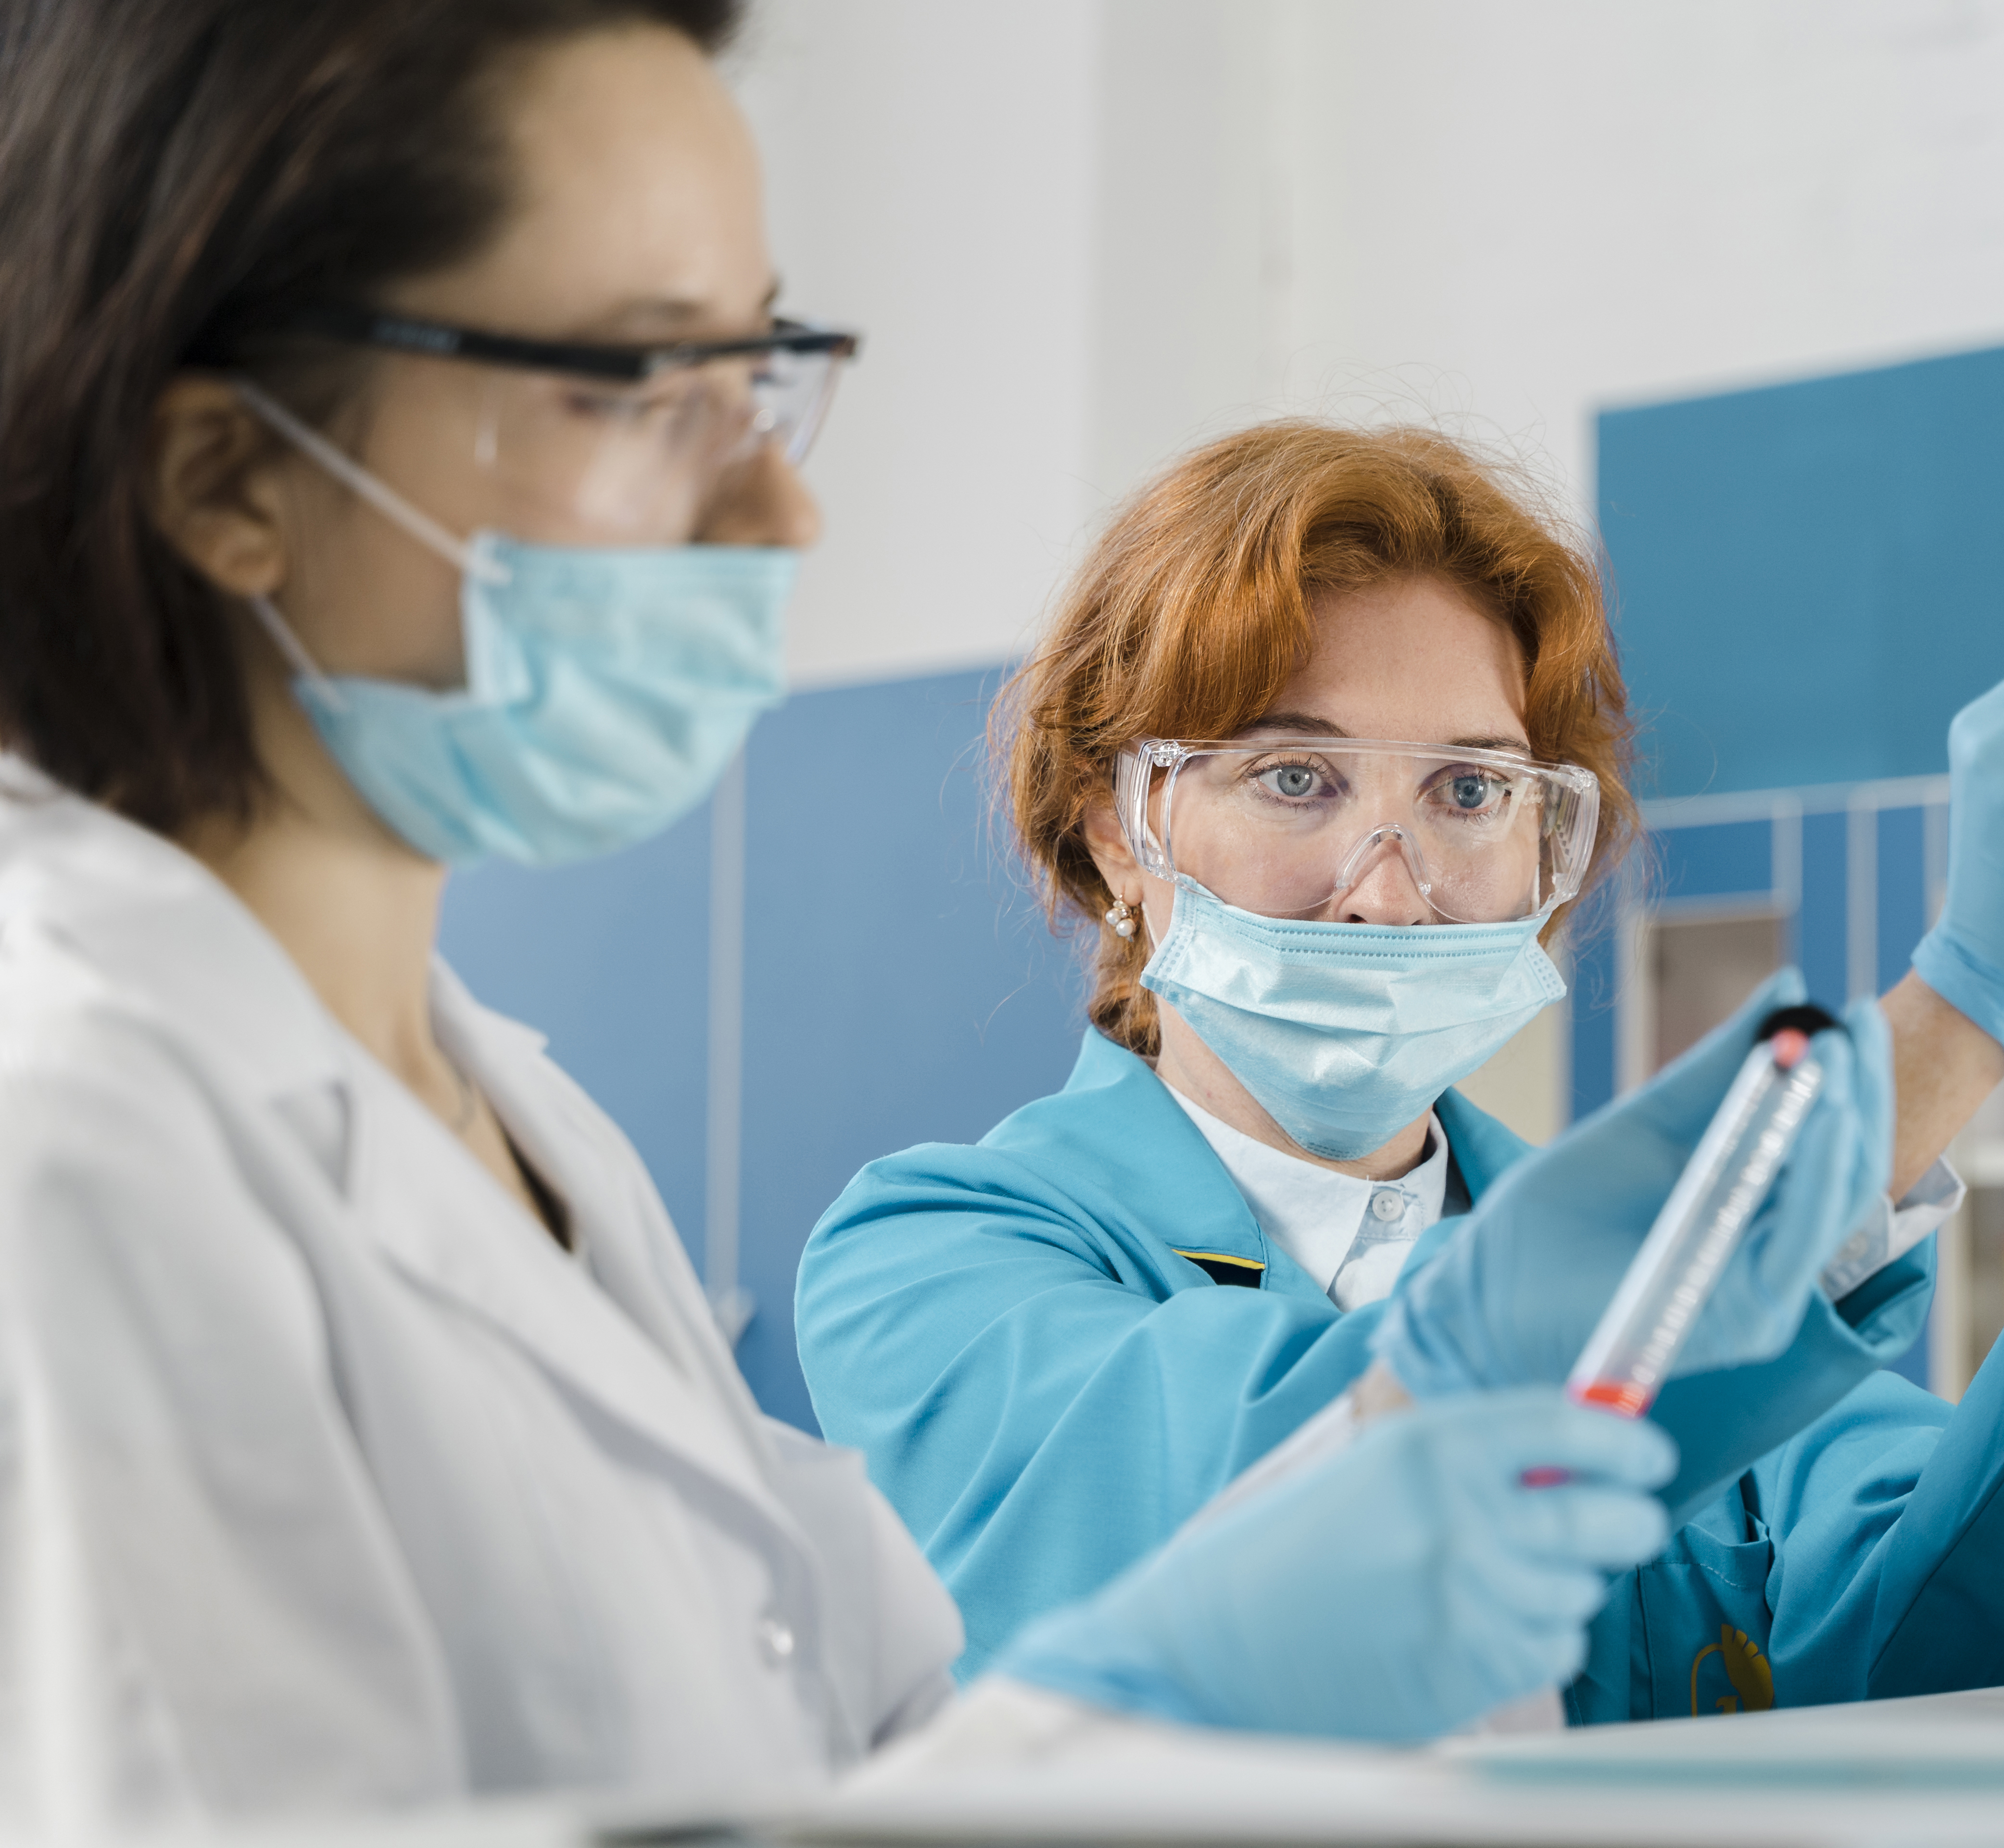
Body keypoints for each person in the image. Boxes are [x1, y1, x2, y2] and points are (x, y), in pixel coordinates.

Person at [0, 0, 1710, 1819]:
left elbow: (837, 1752)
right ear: (229, 480)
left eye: (762, 377)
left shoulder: (523, 1127)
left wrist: (1130, 1706)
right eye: (640, 383)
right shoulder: (74, 1141)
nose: (783, 503)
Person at [795, 424, 2004, 1723]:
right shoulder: (932, 1256)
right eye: (1295, 778)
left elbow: (1965, 1626)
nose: (1387, 883)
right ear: (1113, 832)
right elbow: (1316, 1485)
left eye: (1468, 792)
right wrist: (1967, 1010)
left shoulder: (1676, 1283)